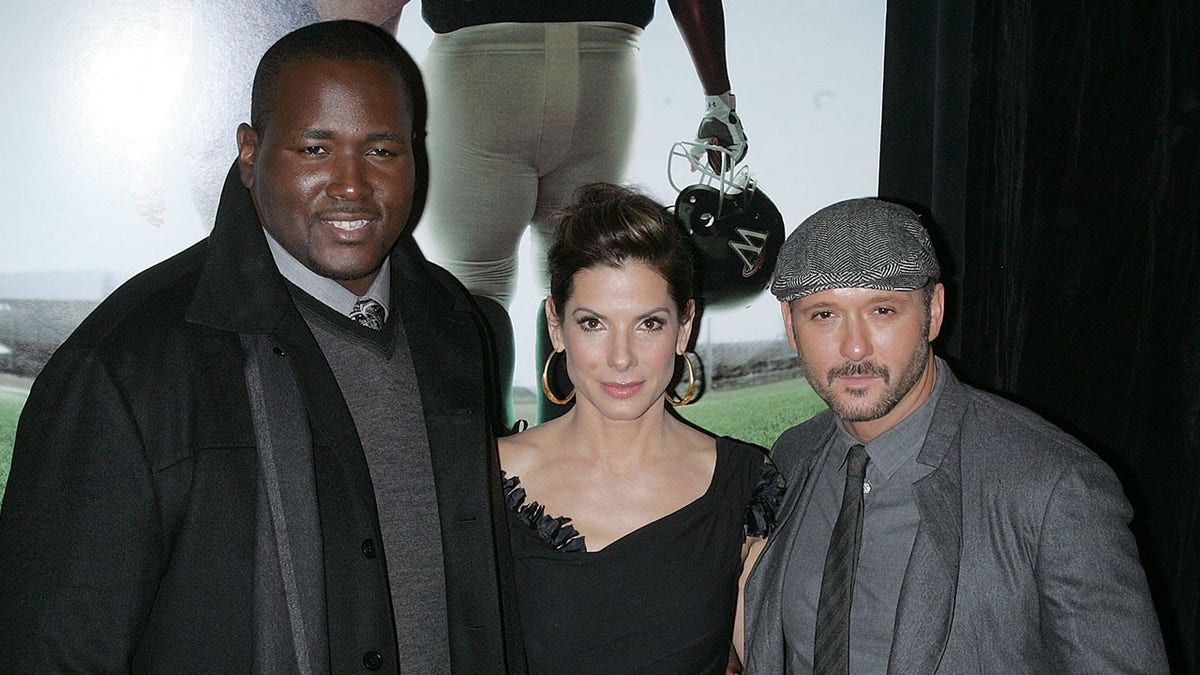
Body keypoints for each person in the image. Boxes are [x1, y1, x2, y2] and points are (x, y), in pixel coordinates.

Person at [0, 21, 524, 672]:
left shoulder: (455, 328)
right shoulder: (122, 365)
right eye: (314, 149)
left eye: (382, 150)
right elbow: (49, 651)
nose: (352, 185)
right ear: (250, 153)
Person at [742, 198, 1168, 672]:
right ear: (790, 326)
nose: (854, 346)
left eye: (883, 309)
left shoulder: (1054, 486)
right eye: (824, 314)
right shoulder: (794, 454)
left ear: (935, 312)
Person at [414, 0, 749, 424]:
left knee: (482, 283)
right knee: (578, 275)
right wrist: (719, 100)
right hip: (603, 69)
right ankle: (567, 468)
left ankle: (485, 471)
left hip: (479, 68)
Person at [497, 182, 782, 672]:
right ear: (555, 326)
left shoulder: (743, 484)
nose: (621, 357)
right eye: (594, 323)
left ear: (684, 327)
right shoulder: (485, 479)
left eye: (648, 323)